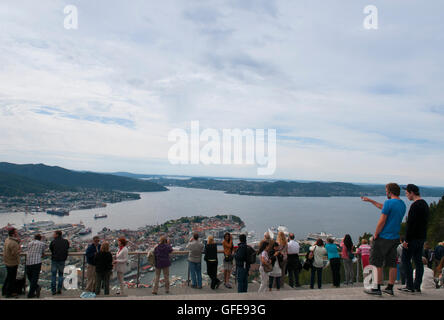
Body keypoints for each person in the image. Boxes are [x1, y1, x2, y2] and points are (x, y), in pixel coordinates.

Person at [361, 182, 406, 296]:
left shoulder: (389, 203)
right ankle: (390, 287)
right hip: (395, 237)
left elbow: (382, 220)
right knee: (392, 263)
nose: (386, 193)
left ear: (390, 192)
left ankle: (376, 288)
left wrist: (375, 234)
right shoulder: (402, 204)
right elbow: (383, 207)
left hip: (383, 237)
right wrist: (371, 201)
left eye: (386, 191)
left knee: (377, 263)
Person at [399, 184, 429, 294]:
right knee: (418, 261)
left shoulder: (415, 205)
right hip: (421, 238)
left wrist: (406, 240)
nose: (406, 195)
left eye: (407, 193)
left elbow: (410, 225)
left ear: (412, 192)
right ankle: (417, 285)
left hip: (412, 239)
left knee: (405, 260)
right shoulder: (425, 204)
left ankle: (409, 285)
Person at [2, 228, 21, 298]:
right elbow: (15, 253)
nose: (17, 233)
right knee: (11, 279)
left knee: (8, 277)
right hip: (12, 263)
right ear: (13, 234)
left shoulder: (7, 239)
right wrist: (19, 249)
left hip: (7, 261)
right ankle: (9, 293)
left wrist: (17, 242)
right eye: (16, 232)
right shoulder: (13, 243)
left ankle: (4, 290)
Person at [25, 234, 46, 298]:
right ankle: (34, 290)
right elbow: (43, 253)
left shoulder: (29, 243)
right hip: (37, 262)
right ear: (40, 238)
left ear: (34, 238)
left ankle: (32, 291)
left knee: (30, 277)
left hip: (28, 262)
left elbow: (28, 251)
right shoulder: (42, 244)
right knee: (35, 278)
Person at [49, 230, 69, 295]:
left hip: (54, 259)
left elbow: (51, 249)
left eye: (54, 234)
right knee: (61, 275)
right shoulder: (66, 241)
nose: (53, 235)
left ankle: (53, 291)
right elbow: (67, 248)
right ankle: (59, 289)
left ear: (57, 234)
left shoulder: (53, 242)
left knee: (53, 276)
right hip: (62, 260)